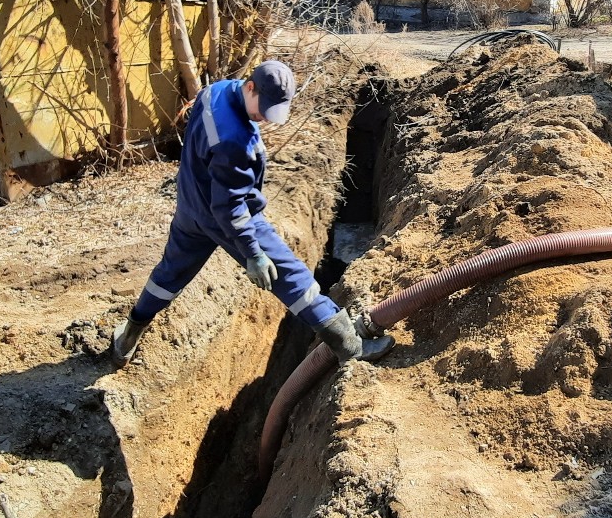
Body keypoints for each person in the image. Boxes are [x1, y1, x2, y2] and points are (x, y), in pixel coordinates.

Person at [104, 60, 394, 368]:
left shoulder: (212, 92)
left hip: (191, 205)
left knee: (169, 274)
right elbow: (229, 206)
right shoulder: (235, 142)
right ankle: (349, 346)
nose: (264, 118)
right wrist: (253, 252)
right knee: (291, 275)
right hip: (229, 216)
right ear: (250, 86)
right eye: (263, 109)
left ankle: (129, 335)